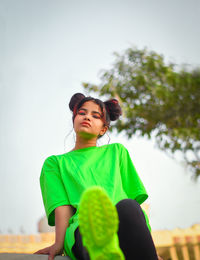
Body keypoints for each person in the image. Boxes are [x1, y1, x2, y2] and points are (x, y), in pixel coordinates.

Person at [34, 93, 161, 260]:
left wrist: (148, 249)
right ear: (74, 119)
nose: (87, 117)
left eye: (95, 115)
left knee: (129, 206)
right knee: (93, 225)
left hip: (123, 225)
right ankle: (103, 249)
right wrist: (58, 245)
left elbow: (135, 206)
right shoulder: (55, 163)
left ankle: (113, 249)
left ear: (103, 129)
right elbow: (62, 208)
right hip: (85, 228)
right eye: (82, 113)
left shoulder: (117, 152)